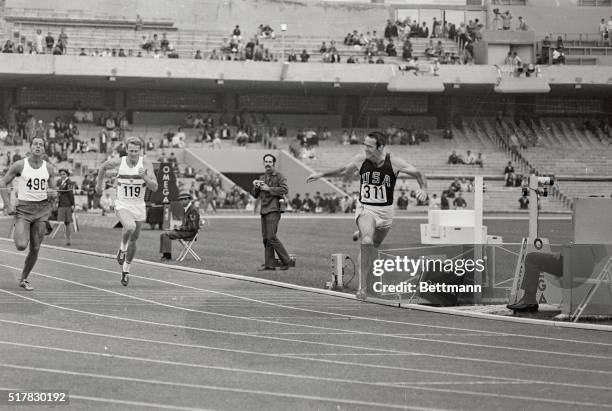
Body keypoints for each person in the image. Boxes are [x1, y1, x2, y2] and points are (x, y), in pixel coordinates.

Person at [307, 131, 427, 299]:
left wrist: (424, 189)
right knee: (367, 242)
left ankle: (362, 231)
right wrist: (321, 174)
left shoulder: (394, 162)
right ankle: (362, 287)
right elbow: (343, 171)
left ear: (380, 147)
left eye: (369, 146)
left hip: (385, 212)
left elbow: (418, 174)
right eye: (364, 144)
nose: (365, 148)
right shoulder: (361, 159)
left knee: (375, 245)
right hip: (366, 208)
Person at [96, 137, 158, 286]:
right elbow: (103, 167)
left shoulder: (146, 164)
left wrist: (144, 177)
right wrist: (99, 184)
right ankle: (122, 249)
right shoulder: (119, 162)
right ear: (126, 150)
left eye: (136, 151)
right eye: (130, 151)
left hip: (138, 205)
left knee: (134, 239)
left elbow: (154, 187)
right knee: (130, 227)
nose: (133, 154)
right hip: (122, 203)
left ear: (140, 151)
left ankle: (126, 270)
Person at [0, 137, 57, 291]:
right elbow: (3, 183)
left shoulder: (49, 168)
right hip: (23, 210)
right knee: (21, 245)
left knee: (36, 248)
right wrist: (7, 205)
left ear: (44, 149)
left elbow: (53, 191)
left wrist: (52, 197)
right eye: (35, 144)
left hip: (41, 211)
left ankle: (24, 278)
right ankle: (19, 228)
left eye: (41, 145)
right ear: (30, 147)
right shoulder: (20, 165)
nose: (38, 147)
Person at [251, 154, 296, 271]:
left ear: (273, 164)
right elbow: (255, 195)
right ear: (263, 163)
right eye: (266, 161)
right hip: (264, 210)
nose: (268, 164)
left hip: (274, 209)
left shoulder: (279, 176)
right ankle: (270, 264)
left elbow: (285, 189)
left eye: (270, 162)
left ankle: (287, 261)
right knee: (266, 238)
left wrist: (269, 189)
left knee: (271, 237)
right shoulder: (262, 178)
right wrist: (255, 186)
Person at [160, 191, 200, 261]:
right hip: (185, 231)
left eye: (182, 200)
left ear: (187, 199)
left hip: (190, 233)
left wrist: (179, 228)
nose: (180, 202)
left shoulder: (192, 210)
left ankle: (167, 256)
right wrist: (179, 228)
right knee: (164, 234)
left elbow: (192, 227)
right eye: (180, 200)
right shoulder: (187, 209)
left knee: (166, 234)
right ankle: (166, 255)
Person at [56, 168, 75, 245]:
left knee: (67, 222)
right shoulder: (62, 182)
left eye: (64, 174)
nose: (62, 175)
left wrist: (73, 204)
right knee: (65, 222)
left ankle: (68, 240)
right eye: (61, 174)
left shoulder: (69, 182)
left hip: (67, 204)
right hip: (62, 204)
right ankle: (67, 239)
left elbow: (70, 194)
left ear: (67, 174)